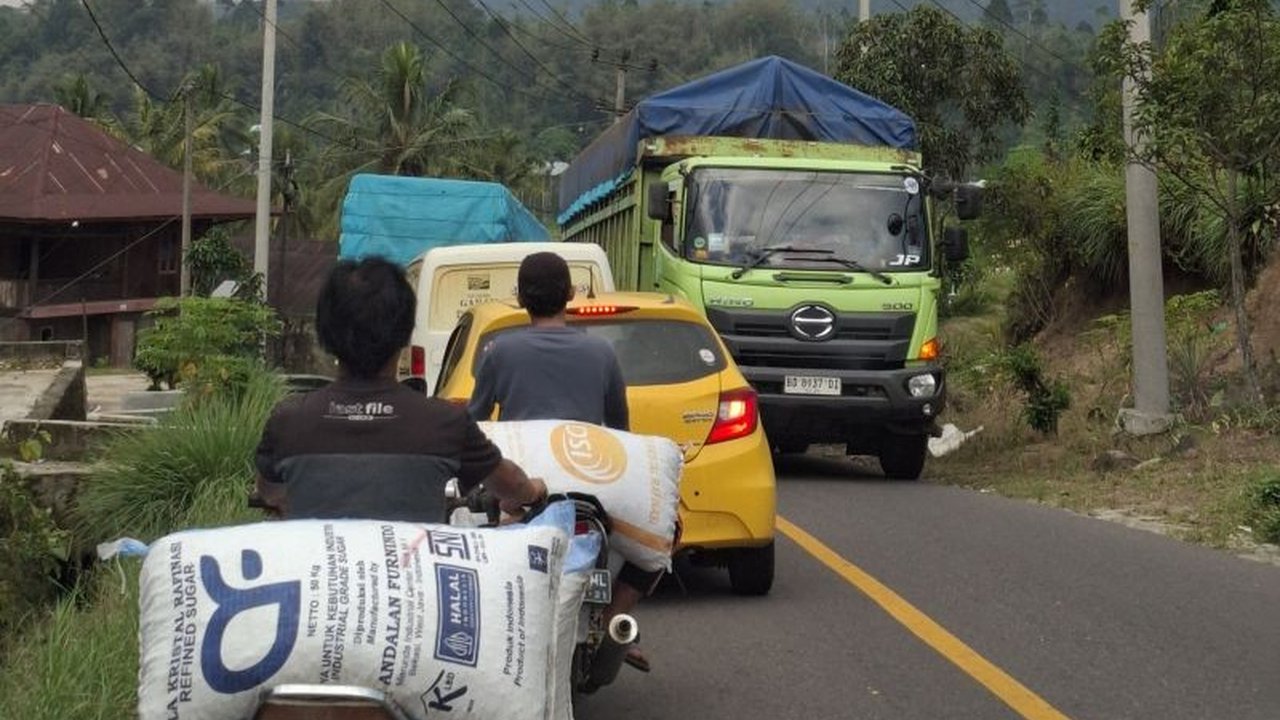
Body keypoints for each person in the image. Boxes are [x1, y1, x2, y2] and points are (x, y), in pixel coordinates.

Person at [468, 250, 663, 673]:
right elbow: (619, 433)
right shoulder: (602, 354)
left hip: (521, 494)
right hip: (591, 491)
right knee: (667, 531)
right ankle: (615, 617)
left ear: (520, 298)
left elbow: (475, 426)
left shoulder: (499, 352)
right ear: (571, 295)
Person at [254, 256, 545, 523]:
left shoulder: (288, 422)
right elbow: (511, 485)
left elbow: (270, 493)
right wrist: (534, 491)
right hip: (414, 578)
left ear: (326, 334)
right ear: (404, 333)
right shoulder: (445, 423)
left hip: (317, 578)